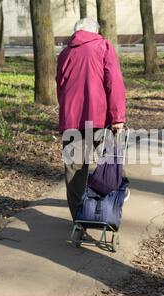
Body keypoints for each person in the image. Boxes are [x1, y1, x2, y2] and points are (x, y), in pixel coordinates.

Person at [56, 17, 126, 218]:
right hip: (98, 117)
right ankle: (104, 211)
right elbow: (114, 82)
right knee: (108, 164)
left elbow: (60, 88)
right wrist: (117, 117)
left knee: (74, 171)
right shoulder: (103, 46)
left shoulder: (65, 53)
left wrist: (68, 113)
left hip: (71, 120)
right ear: (95, 31)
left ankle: (79, 219)